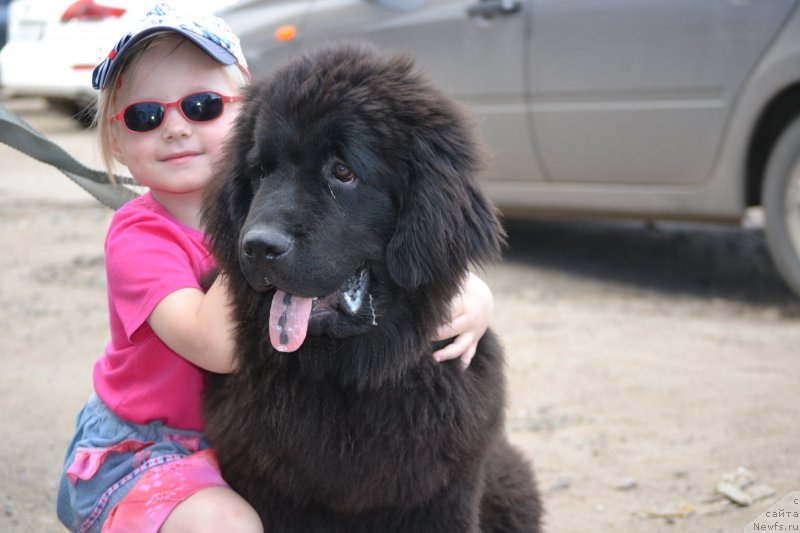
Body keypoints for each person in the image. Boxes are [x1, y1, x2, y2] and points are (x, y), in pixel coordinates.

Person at [56, 3, 495, 532]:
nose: (174, 128)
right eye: (145, 116)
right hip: (148, 449)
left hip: (227, 442)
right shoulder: (140, 238)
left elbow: (440, 232)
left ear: (239, 113)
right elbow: (220, 346)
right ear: (119, 142)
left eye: (201, 105)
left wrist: (466, 286)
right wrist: (244, 231)